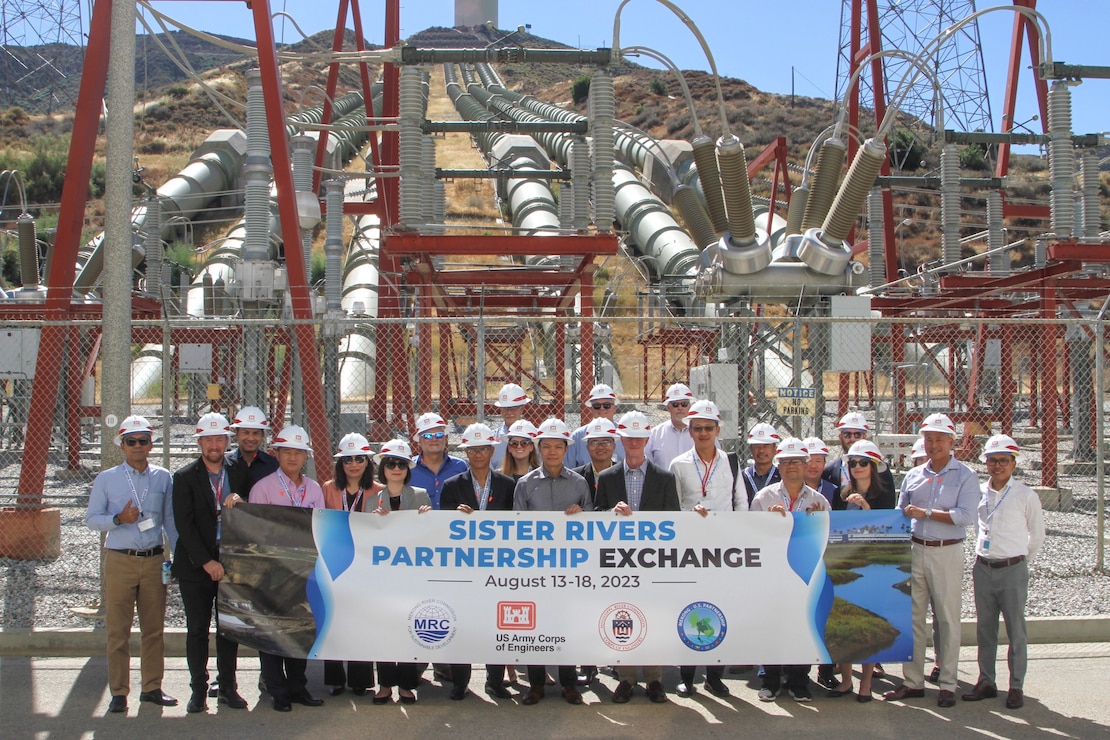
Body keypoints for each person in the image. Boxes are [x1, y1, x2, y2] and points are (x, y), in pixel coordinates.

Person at [883, 413, 978, 709]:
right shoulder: (914, 475)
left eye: (939, 439)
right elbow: (901, 514)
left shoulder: (965, 476)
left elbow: (965, 517)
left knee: (947, 619)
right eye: (929, 439)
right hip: (916, 550)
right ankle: (913, 682)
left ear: (952, 442)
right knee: (912, 618)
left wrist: (924, 512)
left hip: (947, 551)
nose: (933, 444)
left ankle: (948, 684)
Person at [85, 414, 178, 714]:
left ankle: (151, 687)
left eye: (143, 441)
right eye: (131, 441)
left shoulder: (163, 477)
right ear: (122, 445)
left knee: (154, 629)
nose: (138, 446)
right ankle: (119, 692)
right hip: (120, 560)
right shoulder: (107, 479)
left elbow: (169, 521)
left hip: (153, 560)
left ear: (151, 444)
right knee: (118, 629)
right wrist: (117, 520)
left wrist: (175, 556)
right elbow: (91, 520)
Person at [594, 411, 678, 704]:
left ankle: (655, 679)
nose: (633, 442)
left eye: (638, 437)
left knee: (652, 615)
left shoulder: (665, 478)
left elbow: (674, 521)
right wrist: (609, 514)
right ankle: (627, 678)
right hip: (618, 560)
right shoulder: (607, 478)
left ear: (647, 439)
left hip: (652, 560)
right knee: (623, 612)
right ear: (621, 439)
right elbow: (596, 518)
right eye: (628, 437)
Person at [172, 412, 250, 714]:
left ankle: (228, 687)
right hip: (197, 565)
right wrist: (206, 562)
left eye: (220, 439)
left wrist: (241, 502)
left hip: (230, 561)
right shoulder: (184, 477)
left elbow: (252, 510)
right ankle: (198, 690)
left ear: (227, 441)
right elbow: (184, 526)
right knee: (197, 631)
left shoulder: (239, 472)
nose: (215, 445)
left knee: (228, 629)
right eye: (209, 439)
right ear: (200, 442)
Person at [961, 434, 1045, 711]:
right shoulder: (979, 493)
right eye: (993, 460)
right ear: (985, 462)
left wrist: (1020, 561)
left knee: (1015, 630)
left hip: (1012, 568)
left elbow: (1037, 535)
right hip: (983, 567)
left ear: (1013, 463)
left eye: (1003, 461)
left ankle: (1016, 686)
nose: (997, 466)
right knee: (985, 629)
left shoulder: (1025, 495)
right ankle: (986, 680)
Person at [669, 399, 745, 698]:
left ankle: (715, 676)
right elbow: (673, 509)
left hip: (724, 549)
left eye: (708, 428)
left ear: (718, 430)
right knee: (689, 609)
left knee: (721, 608)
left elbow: (741, 502)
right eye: (697, 428)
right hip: (691, 549)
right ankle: (687, 677)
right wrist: (688, 518)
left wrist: (739, 537)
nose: (702, 433)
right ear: (689, 431)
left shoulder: (732, 461)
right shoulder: (678, 465)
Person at [249, 425, 327, 712]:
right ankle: (277, 689)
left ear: (305, 456)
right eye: (287, 452)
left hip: (303, 572)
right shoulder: (263, 488)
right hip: (273, 572)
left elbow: (319, 531)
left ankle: (298, 686)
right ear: (277, 454)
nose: (293, 457)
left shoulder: (314, 489)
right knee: (272, 632)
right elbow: (257, 533)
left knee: (300, 630)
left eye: (298, 452)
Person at [512, 418, 591, 705]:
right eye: (547, 446)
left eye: (559, 446)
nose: (553, 451)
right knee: (536, 624)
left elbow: (593, 526)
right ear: (539, 449)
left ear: (567, 449)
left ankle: (569, 684)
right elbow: (517, 528)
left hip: (569, 567)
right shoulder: (525, 484)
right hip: (535, 567)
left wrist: (581, 512)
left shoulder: (580, 483)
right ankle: (536, 685)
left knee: (565, 623)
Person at [440, 423, 518, 701]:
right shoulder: (452, 487)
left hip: (498, 567)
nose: (478, 454)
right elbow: (443, 531)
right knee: (463, 623)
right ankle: (461, 682)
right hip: (463, 568)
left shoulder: (508, 486)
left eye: (483, 448)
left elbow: (516, 527)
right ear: (466, 452)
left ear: (491, 450)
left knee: (495, 623)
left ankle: (494, 682)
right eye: (472, 449)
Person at [750, 437, 830, 703]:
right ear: (778, 465)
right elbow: (751, 535)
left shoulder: (818, 501)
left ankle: (798, 681)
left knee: (801, 625)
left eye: (796, 461)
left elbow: (828, 540)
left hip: (803, 573)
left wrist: (819, 522)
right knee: (772, 624)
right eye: (785, 461)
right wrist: (769, 523)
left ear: (807, 464)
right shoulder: (764, 497)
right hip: (771, 572)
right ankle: (770, 681)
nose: (791, 466)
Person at [827, 439, 895, 703]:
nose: (857, 467)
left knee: (868, 621)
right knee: (844, 621)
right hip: (844, 564)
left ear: (874, 466)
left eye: (863, 462)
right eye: (852, 462)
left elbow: (887, 531)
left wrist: (866, 510)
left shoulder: (885, 496)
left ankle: (865, 684)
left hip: (871, 566)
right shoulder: (841, 494)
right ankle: (846, 680)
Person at [369, 438, 433, 704]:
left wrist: (426, 519)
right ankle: (384, 684)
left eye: (401, 464)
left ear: (408, 468)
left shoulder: (420, 496)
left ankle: (406, 685)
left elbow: (431, 536)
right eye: (391, 463)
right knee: (384, 630)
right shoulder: (372, 500)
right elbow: (365, 539)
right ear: (383, 468)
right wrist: (373, 522)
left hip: (411, 577)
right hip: (383, 579)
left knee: (409, 630)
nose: (396, 468)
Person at [321, 432, 382, 697]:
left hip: (367, 566)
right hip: (335, 563)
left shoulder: (378, 491)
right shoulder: (327, 489)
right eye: (348, 459)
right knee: (334, 620)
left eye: (360, 458)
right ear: (340, 463)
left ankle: (360, 680)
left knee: (362, 622)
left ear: (368, 461)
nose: (354, 464)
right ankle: (334, 679)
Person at [821, 411, 896, 498]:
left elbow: (888, 505)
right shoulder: (829, 472)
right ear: (840, 437)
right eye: (847, 434)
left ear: (864, 436)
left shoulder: (881, 469)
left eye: (857, 434)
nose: (852, 439)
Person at [409, 412, 467, 509]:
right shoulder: (408, 468)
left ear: (445, 438)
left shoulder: (460, 466)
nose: (434, 439)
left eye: (439, 435)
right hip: (419, 523)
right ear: (419, 440)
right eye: (427, 436)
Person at [565, 384, 624, 468]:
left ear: (614, 407)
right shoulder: (577, 437)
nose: (602, 409)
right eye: (597, 406)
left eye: (607, 405)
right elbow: (569, 470)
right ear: (590, 408)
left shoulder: (624, 434)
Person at [227, 405, 279, 494]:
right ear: (236, 433)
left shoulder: (273, 466)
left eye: (256, 433)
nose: (251, 438)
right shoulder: (225, 464)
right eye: (245, 432)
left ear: (262, 435)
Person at [645, 382, 695, 468]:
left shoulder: (702, 434)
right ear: (668, 407)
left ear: (689, 406)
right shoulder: (654, 435)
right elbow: (646, 465)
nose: (680, 408)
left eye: (684, 404)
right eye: (675, 404)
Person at [573, 417, 620, 507]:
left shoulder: (623, 475)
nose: (600, 447)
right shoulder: (575, 477)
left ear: (614, 446)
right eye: (595, 442)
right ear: (587, 447)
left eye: (606, 442)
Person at [490, 382, 531, 469]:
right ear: (500, 409)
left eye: (514, 408)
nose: (509, 412)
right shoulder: (492, 439)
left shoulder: (534, 436)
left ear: (522, 409)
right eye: (505, 408)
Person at [740, 423, 782, 505]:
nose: (761, 450)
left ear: (775, 449)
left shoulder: (782, 477)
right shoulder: (741, 477)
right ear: (751, 449)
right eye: (757, 446)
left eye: (766, 446)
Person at [802, 437, 838, 506]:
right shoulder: (791, 489)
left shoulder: (834, 491)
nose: (813, 466)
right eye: (809, 461)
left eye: (818, 461)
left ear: (824, 463)